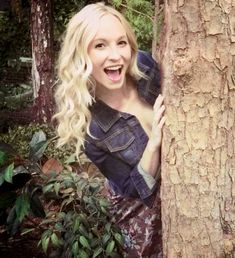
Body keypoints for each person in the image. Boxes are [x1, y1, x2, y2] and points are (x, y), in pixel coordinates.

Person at [53, 2, 166, 257]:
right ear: (80, 54)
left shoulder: (146, 66)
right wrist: (155, 143)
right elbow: (133, 188)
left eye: (121, 42)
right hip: (142, 212)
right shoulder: (92, 131)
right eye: (100, 45)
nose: (116, 56)